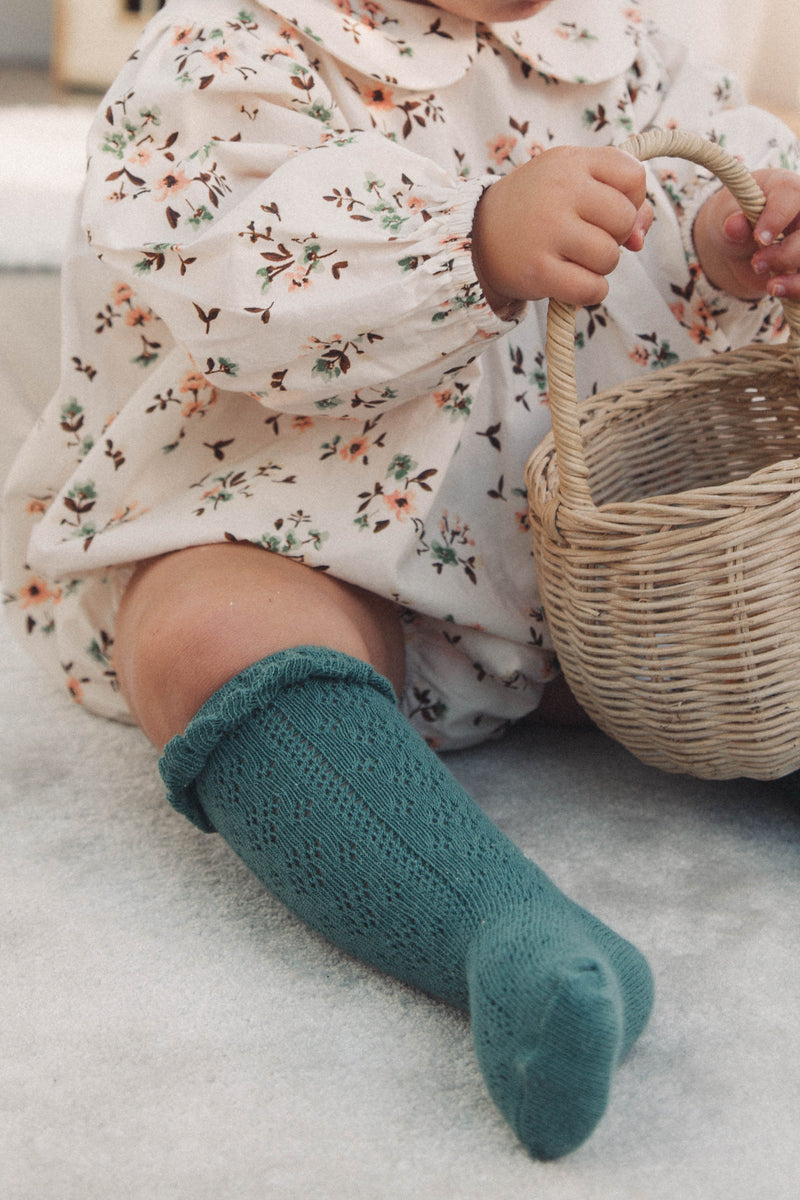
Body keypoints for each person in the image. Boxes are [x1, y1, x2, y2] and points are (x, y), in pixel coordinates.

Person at [3, 0, 800, 1160]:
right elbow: (233, 285)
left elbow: (689, 195)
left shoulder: (614, 49)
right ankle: (494, 930)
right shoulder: (230, 42)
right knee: (201, 627)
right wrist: (469, 241)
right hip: (298, 533)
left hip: (567, 585)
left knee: (747, 604)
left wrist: (737, 248)